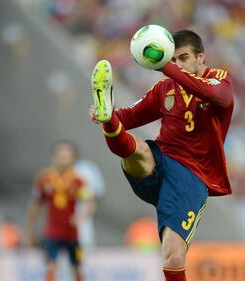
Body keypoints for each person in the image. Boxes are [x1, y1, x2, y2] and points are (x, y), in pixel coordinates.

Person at [89, 30, 233, 281]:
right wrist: (109, 115)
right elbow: (130, 116)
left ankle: (108, 122)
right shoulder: (165, 88)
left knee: (173, 257)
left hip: (191, 177)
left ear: (201, 57)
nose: (178, 65)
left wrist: (164, 65)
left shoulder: (219, 79)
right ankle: (106, 120)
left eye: (183, 58)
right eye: (173, 59)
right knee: (139, 150)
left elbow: (215, 95)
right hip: (161, 160)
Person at [25, 140, 94, 281]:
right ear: (53, 156)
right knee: (50, 267)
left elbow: (90, 203)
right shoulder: (44, 178)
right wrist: (29, 231)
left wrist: (81, 216)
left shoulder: (78, 180)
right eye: (60, 155)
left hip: (72, 233)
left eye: (67, 155)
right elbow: (35, 205)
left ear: (74, 158)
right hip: (52, 233)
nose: (63, 158)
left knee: (77, 267)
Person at [74, 158, 105, 249]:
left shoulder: (83, 172)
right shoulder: (51, 175)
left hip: (80, 224)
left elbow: (92, 199)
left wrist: (81, 218)